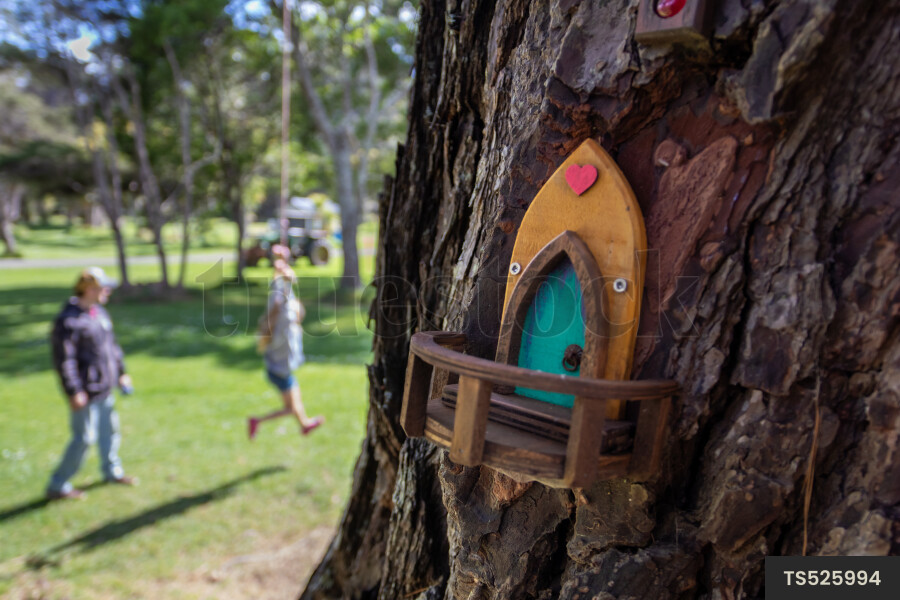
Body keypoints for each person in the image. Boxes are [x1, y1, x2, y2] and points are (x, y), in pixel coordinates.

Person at [46, 267, 136, 500]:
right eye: (102, 287)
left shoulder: (99, 313)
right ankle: (57, 485)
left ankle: (112, 472)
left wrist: (122, 373)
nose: (107, 291)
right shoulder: (68, 321)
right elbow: (64, 360)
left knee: (110, 432)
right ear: (88, 288)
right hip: (85, 391)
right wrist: (73, 390)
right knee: (83, 439)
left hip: (105, 388)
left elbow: (112, 347)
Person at [248, 244, 324, 439]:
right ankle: (263, 421)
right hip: (280, 370)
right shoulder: (280, 314)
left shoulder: (282, 305)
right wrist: (283, 266)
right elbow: (288, 283)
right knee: (293, 407)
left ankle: (304, 425)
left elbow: (287, 283)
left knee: (293, 407)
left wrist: (281, 264)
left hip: (279, 368)